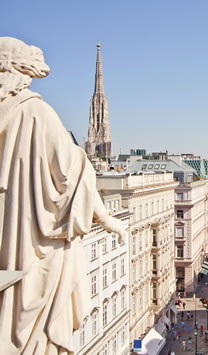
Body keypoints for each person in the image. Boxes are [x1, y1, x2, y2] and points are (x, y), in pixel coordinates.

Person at [0, 37, 125, 354]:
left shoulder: (26, 114)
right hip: (27, 243)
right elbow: (77, 172)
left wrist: (107, 215)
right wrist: (105, 217)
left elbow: (75, 170)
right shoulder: (29, 114)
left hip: (17, 239)